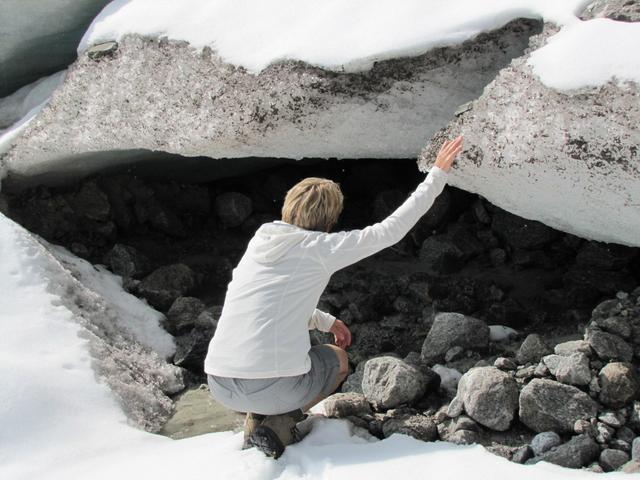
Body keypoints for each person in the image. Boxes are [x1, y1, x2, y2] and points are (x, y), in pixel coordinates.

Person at [204, 136, 463, 459]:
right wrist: (437, 175)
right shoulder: (320, 248)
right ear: (329, 220)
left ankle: (256, 418)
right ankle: (279, 423)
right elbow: (389, 231)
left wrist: (327, 320)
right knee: (338, 361)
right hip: (273, 388)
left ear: (289, 206)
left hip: (219, 383)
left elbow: (270, 301)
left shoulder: (261, 241)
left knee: (281, 363)